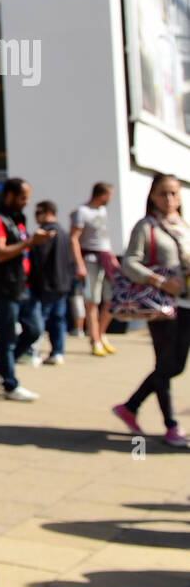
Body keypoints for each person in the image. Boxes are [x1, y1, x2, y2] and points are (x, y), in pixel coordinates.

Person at [111, 174, 190, 448]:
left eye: (174, 194)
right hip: (161, 306)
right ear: (153, 196)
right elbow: (130, 264)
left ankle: (130, 406)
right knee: (167, 365)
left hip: (186, 303)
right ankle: (171, 425)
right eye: (163, 193)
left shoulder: (184, 225)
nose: (169, 199)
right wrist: (159, 281)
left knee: (176, 365)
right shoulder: (147, 226)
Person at [0, 178, 52, 401]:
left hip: (21, 286)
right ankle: (10, 384)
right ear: (9, 195)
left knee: (34, 329)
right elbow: (0, 253)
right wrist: (30, 242)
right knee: (6, 337)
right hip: (2, 288)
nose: (26, 202)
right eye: (23, 197)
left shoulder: (16, 219)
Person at [71, 182, 117, 357]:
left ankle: (101, 334)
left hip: (105, 258)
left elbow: (104, 238)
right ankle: (95, 340)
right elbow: (74, 238)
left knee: (113, 298)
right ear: (102, 195)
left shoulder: (102, 211)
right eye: (109, 195)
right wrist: (79, 263)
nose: (110, 199)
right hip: (90, 259)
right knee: (92, 301)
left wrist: (112, 258)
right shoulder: (82, 212)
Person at [28, 201, 73, 365]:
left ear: (48, 212)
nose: (35, 216)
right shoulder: (63, 231)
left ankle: (32, 350)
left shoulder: (46, 234)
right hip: (62, 282)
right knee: (58, 319)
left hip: (48, 283)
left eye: (38, 212)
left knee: (40, 318)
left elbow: (39, 260)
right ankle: (57, 352)